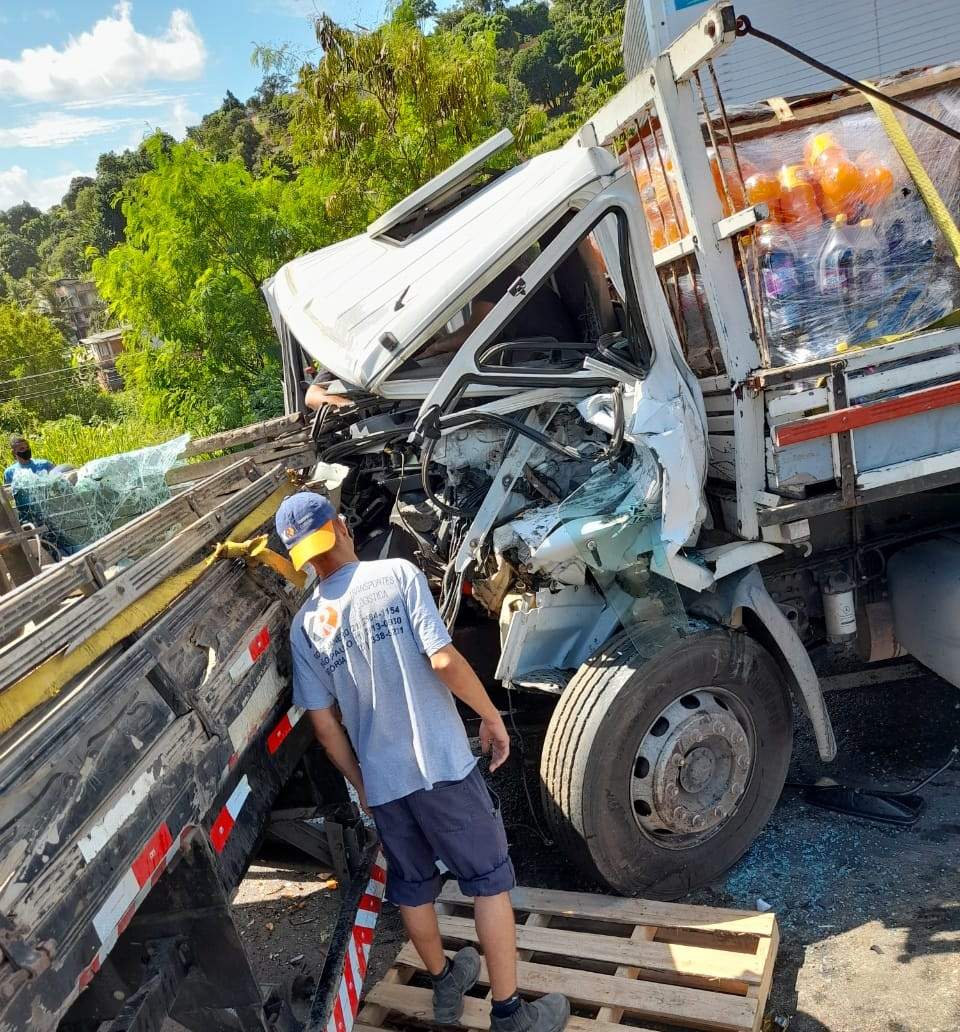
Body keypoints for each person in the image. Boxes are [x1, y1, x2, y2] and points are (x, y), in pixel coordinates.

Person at [278, 491, 569, 1032]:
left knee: (412, 886)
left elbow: (324, 727)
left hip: (386, 784)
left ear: (301, 556)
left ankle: (444, 983)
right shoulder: (396, 576)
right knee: (487, 880)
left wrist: (363, 784)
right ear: (340, 526)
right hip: (441, 767)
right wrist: (489, 714)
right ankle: (509, 1014)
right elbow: (441, 658)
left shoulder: (305, 627)